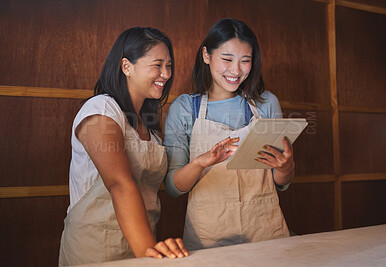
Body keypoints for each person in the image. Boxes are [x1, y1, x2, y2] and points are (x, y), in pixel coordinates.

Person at [59, 27, 188, 266]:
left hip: (141, 240)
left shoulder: (148, 124)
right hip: (96, 247)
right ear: (127, 66)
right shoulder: (101, 109)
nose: (166, 74)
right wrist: (149, 253)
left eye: (169, 66)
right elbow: (119, 183)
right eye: (157, 64)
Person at [164, 18, 294, 251]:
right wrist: (201, 163)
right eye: (227, 59)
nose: (236, 70)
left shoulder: (267, 104)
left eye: (246, 61)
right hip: (208, 236)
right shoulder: (184, 108)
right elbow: (173, 187)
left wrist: (285, 167)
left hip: (265, 231)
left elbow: (281, 181)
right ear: (206, 55)